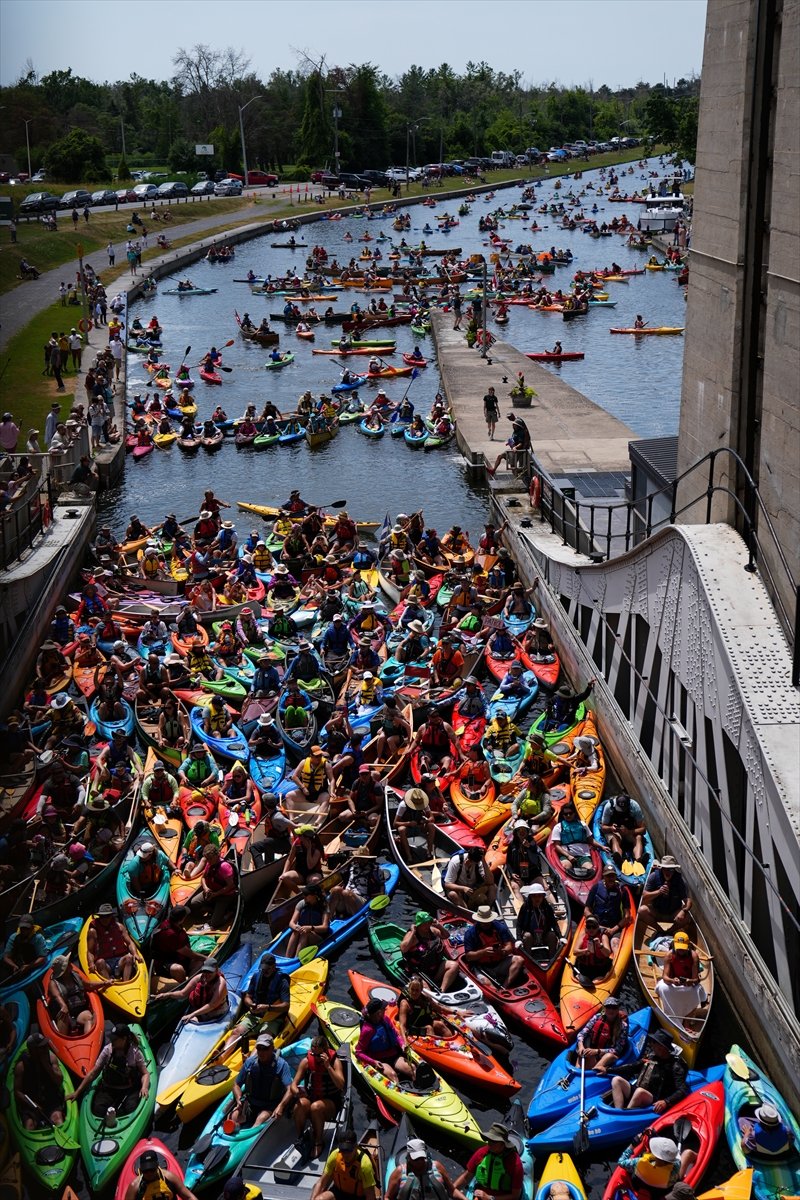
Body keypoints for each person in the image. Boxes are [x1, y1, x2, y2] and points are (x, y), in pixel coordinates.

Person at [66, 1023, 150, 1115]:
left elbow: (144, 1073)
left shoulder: (135, 1052)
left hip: (128, 1089)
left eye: (114, 1038)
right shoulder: (107, 1050)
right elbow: (93, 1073)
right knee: (98, 1110)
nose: (111, 1040)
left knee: (131, 1108)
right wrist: (77, 1092)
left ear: (124, 1039)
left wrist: (144, 1087)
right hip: (108, 1089)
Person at [289, 1035, 347, 1160]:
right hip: (313, 1097)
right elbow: (294, 1084)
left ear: (325, 1052)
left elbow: (341, 1084)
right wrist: (296, 1091)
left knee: (316, 1107)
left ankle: (319, 1142)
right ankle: (301, 1138)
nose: (316, 1058)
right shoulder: (306, 1062)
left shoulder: (334, 1062)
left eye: (319, 1055)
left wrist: (328, 1066)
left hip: (331, 1103)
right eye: (313, 1054)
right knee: (299, 1104)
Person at [223, 951, 290, 1050]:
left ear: (274, 966)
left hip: (272, 1018)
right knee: (236, 1032)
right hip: (255, 1016)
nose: (264, 970)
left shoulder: (282, 981)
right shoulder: (256, 976)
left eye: (267, 968)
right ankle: (221, 1057)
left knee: (264, 1039)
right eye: (263, 968)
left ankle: (251, 1061)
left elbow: (286, 1006)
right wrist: (250, 1004)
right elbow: (247, 996)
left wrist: (268, 1007)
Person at [611, 1027, 689, 1112]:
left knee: (640, 1092)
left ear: (661, 1046)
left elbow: (681, 1090)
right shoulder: (651, 1056)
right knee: (616, 1080)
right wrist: (608, 1070)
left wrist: (666, 1102)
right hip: (638, 1091)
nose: (651, 1043)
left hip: (654, 1099)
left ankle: (624, 1117)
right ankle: (617, 1112)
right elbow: (632, 1067)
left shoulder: (675, 1066)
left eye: (653, 1041)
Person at [229, 1032, 294, 1127]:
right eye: (259, 1048)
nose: (261, 1052)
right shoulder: (249, 1062)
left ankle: (250, 1136)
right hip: (251, 1104)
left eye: (265, 1049)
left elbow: (290, 1090)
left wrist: (281, 1106)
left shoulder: (281, 1065)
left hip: (269, 1106)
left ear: (272, 1048)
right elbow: (236, 1084)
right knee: (233, 1116)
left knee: (261, 1118)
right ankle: (236, 1130)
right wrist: (239, 1099)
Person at [454, 1120, 525, 1200]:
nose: (490, 1143)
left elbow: (515, 1196)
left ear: (503, 1143)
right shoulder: (481, 1153)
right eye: (489, 1139)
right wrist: (452, 1189)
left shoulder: (515, 1163)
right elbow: (465, 1178)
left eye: (494, 1141)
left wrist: (490, 1198)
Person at [13, 1032, 67, 1130]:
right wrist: (34, 1105)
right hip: (31, 1104)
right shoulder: (21, 1066)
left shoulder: (51, 1058)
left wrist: (47, 1066)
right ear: (33, 1050)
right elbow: (17, 1092)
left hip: (51, 1101)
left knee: (58, 1119)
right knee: (29, 1125)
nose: (46, 1048)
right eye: (42, 1047)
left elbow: (59, 1081)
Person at [355, 996, 414, 1083]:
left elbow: (396, 1035)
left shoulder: (386, 1019)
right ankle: (398, 1094)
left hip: (394, 1055)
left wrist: (402, 1044)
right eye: (383, 1008)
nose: (385, 1009)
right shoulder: (367, 1030)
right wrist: (373, 1062)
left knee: (412, 1069)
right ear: (378, 1013)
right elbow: (358, 1052)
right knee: (393, 1076)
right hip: (379, 1059)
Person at [463, 906, 524, 988]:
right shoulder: (470, 933)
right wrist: (483, 952)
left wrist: (502, 951)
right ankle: (497, 994)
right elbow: (468, 957)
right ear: (478, 920)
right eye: (483, 921)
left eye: (488, 921)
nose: (486, 923)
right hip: (483, 967)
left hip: (500, 963)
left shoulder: (500, 927)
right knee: (486, 982)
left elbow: (509, 947)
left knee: (519, 960)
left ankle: (504, 988)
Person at [655, 931, 708, 1023]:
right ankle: (670, 1015)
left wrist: (690, 981)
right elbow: (665, 978)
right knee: (663, 988)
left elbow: (696, 979)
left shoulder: (693, 956)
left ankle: (687, 1020)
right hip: (673, 984)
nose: (681, 950)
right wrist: (672, 980)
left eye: (683, 948)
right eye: (679, 948)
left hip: (687, 985)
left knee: (697, 990)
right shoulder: (669, 955)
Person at [400, 911, 461, 993]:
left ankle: (442, 990)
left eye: (428, 923)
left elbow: (446, 935)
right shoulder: (413, 936)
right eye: (424, 924)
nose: (427, 926)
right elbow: (404, 949)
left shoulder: (432, 930)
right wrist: (413, 932)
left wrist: (438, 925)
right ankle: (432, 998)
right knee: (424, 986)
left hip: (435, 967)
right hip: (419, 971)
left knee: (454, 965)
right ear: (418, 925)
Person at [314, 1127, 379, 1200]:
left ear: (356, 1147)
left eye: (349, 1149)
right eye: (343, 1150)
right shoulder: (335, 1156)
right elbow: (322, 1183)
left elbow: (370, 1196)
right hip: (339, 1193)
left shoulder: (364, 1164)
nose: (346, 1154)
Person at [86, 903, 141, 982]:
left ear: (111, 916)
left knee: (129, 957)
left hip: (119, 961)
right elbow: (90, 951)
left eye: (107, 916)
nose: (104, 919)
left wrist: (135, 954)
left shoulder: (119, 927)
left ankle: (126, 983)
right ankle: (108, 983)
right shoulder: (93, 931)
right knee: (100, 962)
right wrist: (91, 963)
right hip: (105, 963)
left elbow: (129, 943)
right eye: (102, 916)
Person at [573, 996, 630, 1073]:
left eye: (614, 1008)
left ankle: (593, 1073)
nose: (611, 1010)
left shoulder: (623, 1026)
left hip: (608, 1056)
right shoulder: (597, 1017)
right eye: (608, 1007)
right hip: (594, 1053)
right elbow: (582, 1033)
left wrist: (597, 1051)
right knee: (584, 1053)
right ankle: (577, 1072)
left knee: (608, 1056)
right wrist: (581, 1046)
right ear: (604, 1008)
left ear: (618, 1010)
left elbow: (617, 1050)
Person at [120, 1146, 199, 1200]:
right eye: (146, 1171)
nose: (149, 1173)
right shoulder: (135, 1186)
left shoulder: (170, 1177)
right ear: (141, 1169)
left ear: (157, 1167)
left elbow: (188, 1197)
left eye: (152, 1170)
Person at [151, 905, 205, 983]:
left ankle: (190, 982)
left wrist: (202, 959)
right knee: (178, 969)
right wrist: (206, 958)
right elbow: (188, 953)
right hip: (165, 963)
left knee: (200, 962)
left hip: (179, 958)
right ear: (181, 920)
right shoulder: (169, 934)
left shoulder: (176, 924)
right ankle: (184, 986)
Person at [187, 844, 237, 928]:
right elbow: (203, 878)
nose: (209, 861)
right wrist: (205, 888)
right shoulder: (209, 864)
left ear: (217, 855)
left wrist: (216, 894)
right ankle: (215, 910)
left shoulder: (224, 867)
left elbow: (230, 885)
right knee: (192, 904)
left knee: (215, 923)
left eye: (210, 858)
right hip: (211, 892)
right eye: (207, 858)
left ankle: (231, 911)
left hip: (225, 896)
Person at [638, 856, 693, 932]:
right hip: (657, 911)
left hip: (673, 913)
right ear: (661, 868)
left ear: (674, 869)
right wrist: (659, 892)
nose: (668, 872)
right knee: (642, 911)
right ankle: (659, 930)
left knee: (686, 916)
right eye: (665, 869)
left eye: (671, 869)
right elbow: (644, 896)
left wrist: (683, 911)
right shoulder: (653, 877)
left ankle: (670, 931)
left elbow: (688, 901)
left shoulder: (680, 880)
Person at [586, 863, 632, 950]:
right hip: (596, 926)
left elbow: (627, 916)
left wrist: (613, 930)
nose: (611, 878)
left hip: (614, 927)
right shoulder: (596, 888)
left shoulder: (622, 890)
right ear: (603, 876)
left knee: (615, 943)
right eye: (608, 876)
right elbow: (586, 910)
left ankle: (615, 962)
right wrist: (597, 926)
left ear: (616, 876)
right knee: (590, 944)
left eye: (613, 876)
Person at [549, 801, 598, 877]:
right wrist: (568, 856)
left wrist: (602, 847)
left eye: (570, 813)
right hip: (566, 855)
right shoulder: (558, 827)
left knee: (589, 869)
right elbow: (557, 846)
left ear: (574, 813)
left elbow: (591, 840)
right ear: (563, 815)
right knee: (566, 867)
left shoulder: (583, 824)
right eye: (565, 814)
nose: (568, 815)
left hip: (583, 855)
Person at [599, 793, 647, 866]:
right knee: (615, 839)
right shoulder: (609, 807)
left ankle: (638, 860)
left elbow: (643, 829)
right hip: (615, 833)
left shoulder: (634, 807)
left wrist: (629, 831)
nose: (620, 811)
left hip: (629, 831)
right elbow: (603, 827)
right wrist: (611, 828)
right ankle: (619, 860)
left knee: (638, 837)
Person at [517, 882, 562, 957]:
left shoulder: (547, 907)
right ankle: (528, 959)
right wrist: (518, 939)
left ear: (543, 896)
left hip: (544, 935)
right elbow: (519, 924)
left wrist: (560, 937)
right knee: (527, 936)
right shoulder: (525, 907)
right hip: (531, 936)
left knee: (552, 935)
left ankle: (553, 958)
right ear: (530, 897)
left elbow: (554, 923)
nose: (537, 898)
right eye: (534, 896)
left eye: (539, 896)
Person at [286, 884, 330, 958]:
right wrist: (295, 926)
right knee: (296, 930)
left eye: (306, 894)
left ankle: (296, 959)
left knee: (305, 933)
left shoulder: (324, 906)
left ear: (314, 895)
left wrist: (310, 928)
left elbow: (325, 928)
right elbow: (291, 923)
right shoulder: (301, 904)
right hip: (303, 932)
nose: (303, 896)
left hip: (317, 937)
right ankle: (288, 958)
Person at [2, 913, 48, 984]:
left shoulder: (38, 938)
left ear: (32, 926)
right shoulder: (14, 937)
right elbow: (6, 957)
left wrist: (29, 966)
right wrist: (14, 966)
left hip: (30, 965)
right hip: (17, 966)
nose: (24, 930)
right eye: (22, 928)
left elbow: (42, 957)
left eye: (27, 928)